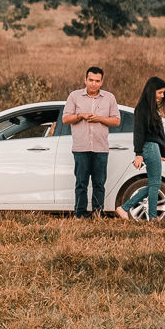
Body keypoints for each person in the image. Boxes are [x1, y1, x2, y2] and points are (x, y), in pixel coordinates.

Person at [62, 66, 121, 217]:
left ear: (102, 82)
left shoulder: (109, 98)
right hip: (81, 148)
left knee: (99, 184)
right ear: (85, 80)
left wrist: (99, 118)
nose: (93, 84)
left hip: (100, 149)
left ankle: (97, 214)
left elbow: (116, 121)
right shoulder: (74, 96)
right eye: (91, 80)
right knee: (81, 183)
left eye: (97, 81)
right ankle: (80, 214)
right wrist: (80, 116)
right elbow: (65, 118)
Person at [116, 77, 165, 221]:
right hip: (149, 147)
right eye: (160, 93)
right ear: (151, 92)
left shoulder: (152, 109)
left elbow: (159, 133)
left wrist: (163, 153)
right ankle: (151, 217)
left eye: (163, 93)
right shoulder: (142, 109)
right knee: (155, 184)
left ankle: (126, 208)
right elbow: (139, 133)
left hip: (154, 147)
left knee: (154, 184)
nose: (162, 96)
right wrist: (138, 154)